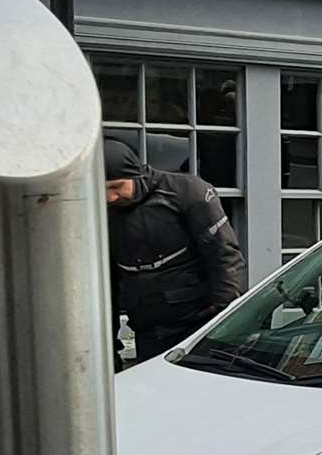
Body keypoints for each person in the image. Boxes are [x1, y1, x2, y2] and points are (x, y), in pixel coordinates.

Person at [103, 137, 246, 363]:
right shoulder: (106, 212)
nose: (111, 197)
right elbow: (107, 280)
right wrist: (108, 347)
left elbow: (225, 257)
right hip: (146, 328)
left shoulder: (186, 191)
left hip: (198, 324)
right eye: (102, 190)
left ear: (134, 173)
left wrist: (222, 323)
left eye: (116, 186)